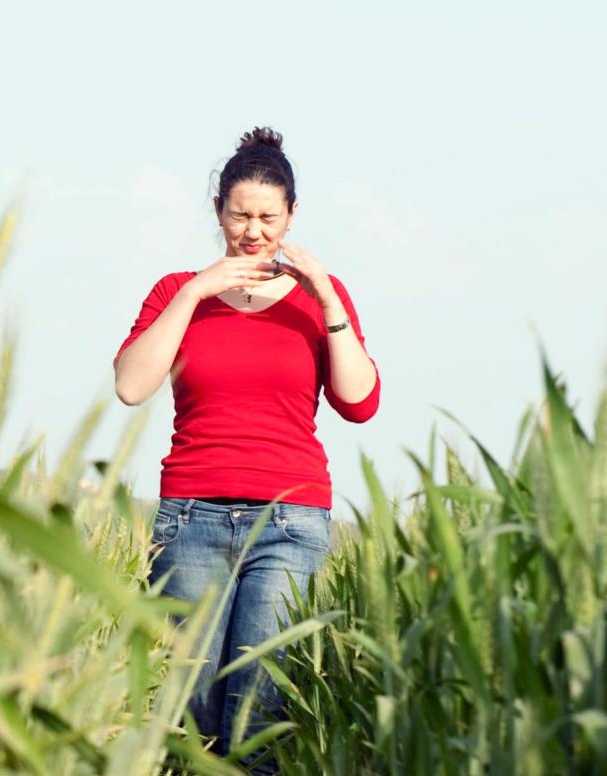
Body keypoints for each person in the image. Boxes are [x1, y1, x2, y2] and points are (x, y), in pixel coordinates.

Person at [112, 127, 380, 770]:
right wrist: (193, 292)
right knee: (192, 713)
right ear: (218, 213)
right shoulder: (177, 290)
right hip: (192, 519)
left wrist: (328, 299)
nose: (253, 231)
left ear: (291, 216)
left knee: (262, 717)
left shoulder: (322, 299)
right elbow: (130, 385)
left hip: (290, 522)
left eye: (268, 217)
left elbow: (360, 402)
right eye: (240, 216)